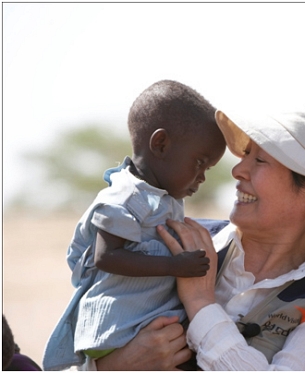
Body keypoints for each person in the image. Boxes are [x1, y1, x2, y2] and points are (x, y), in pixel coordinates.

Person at [89, 97, 305, 370]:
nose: (238, 170)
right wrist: (111, 366)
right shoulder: (171, 239)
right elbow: (88, 329)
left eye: (260, 160)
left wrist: (202, 305)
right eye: (246, 154)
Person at [42, 80, 226, 370]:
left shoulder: (163, 197)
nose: (202, 177)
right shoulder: (124, 197)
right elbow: (106, 256)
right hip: (119, 326)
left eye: (208, 169)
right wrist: (174, 267)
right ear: (161, 144)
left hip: (147, 323)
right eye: (199, 163)